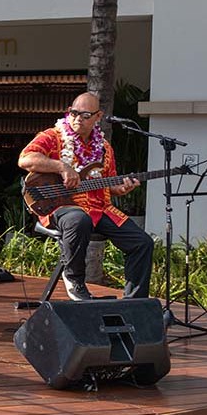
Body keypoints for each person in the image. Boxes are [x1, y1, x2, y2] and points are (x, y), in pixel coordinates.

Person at [18, 91, 153, 300]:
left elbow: (110, 182)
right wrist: (61, 166)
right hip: (60, 206)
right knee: (79, 219)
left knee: (142, 242)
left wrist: (121, 188)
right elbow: (25, 159)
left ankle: (135, 302)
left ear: (98, 117)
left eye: (85, 115)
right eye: (74, 113)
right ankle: (74, 280)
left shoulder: (104, 148)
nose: (77, 118)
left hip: (100, 208)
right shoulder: (53, 137)